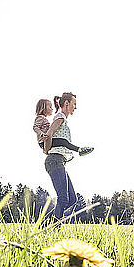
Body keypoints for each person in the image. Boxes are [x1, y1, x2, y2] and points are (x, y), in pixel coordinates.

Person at [44, 92, 87, 220]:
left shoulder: (62, 119)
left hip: (60, 161)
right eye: (74, 104)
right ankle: (51, 227)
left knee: (72, 199)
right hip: (55, 160)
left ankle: (46, 223)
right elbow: (49, 133)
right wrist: (46, 150)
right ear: (67, 103)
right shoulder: (60, 117)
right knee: (63, 198)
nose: (75, 107)